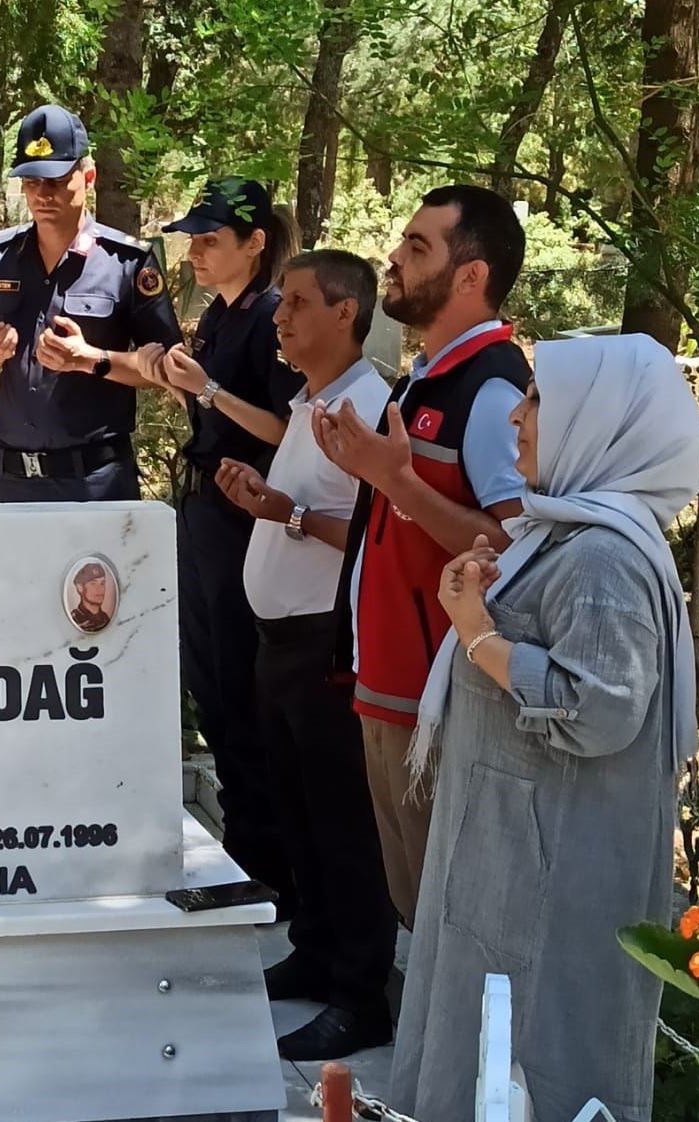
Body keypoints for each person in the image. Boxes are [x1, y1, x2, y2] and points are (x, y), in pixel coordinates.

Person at [391, 334, 699, 1122]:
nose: (517, 421)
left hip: (548, 876)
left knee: (535, 1060)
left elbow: (598, 710)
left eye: (536, 402)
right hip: (509, 858)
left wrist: (477, 635)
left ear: (599, 424)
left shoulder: (604, 558)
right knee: (484, 1051)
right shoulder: (564, 534)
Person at [313, 184, 530, 927]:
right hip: (389, 684)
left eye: (417, 247)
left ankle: (450, 1047)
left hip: (440, 703)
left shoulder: (493, 386)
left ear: (471, 277)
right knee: (417, 910)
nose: (394, 260)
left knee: (452, 914)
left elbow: (515, 548)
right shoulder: (425, 376)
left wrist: (392, 479)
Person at [214, 250, 396, 1061]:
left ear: (345, 314)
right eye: (280, 301)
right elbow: (297, 511)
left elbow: (370, 533)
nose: (279, 317)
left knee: (341, 818)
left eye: (295, 303)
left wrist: (283, 515)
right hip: (279, 638)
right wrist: (264, 503)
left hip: (327, 638)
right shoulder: (307, 400)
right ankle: (316, 950)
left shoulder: (365, 406)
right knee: (297, 809)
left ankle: (360, 994)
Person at [138, 177, 303, 911]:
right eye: (192, 239)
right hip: (201, 511)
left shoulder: (273, 320)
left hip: (246, 521)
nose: (195, 252)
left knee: (242, 689)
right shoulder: (218, 315)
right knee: (210, 685)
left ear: (255, 243)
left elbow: (281, 428)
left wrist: (204, 391)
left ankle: (268, 866)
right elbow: (207, 408)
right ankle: (246, 861)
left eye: (211, 240)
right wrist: (165, 376)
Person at [0, 104, 183, 502]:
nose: (42, 194)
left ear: (89, 176)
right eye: (31, 181)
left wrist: (90, 359)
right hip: (9, 479)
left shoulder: (126, 263)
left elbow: (167, 369)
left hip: (93, 482)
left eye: (57, 181)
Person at [68, 561, 113, 632]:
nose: (99, 589)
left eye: (102, 583)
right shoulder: (76, 619)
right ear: (80, 587)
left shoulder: (105, 619)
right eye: (93, 584)